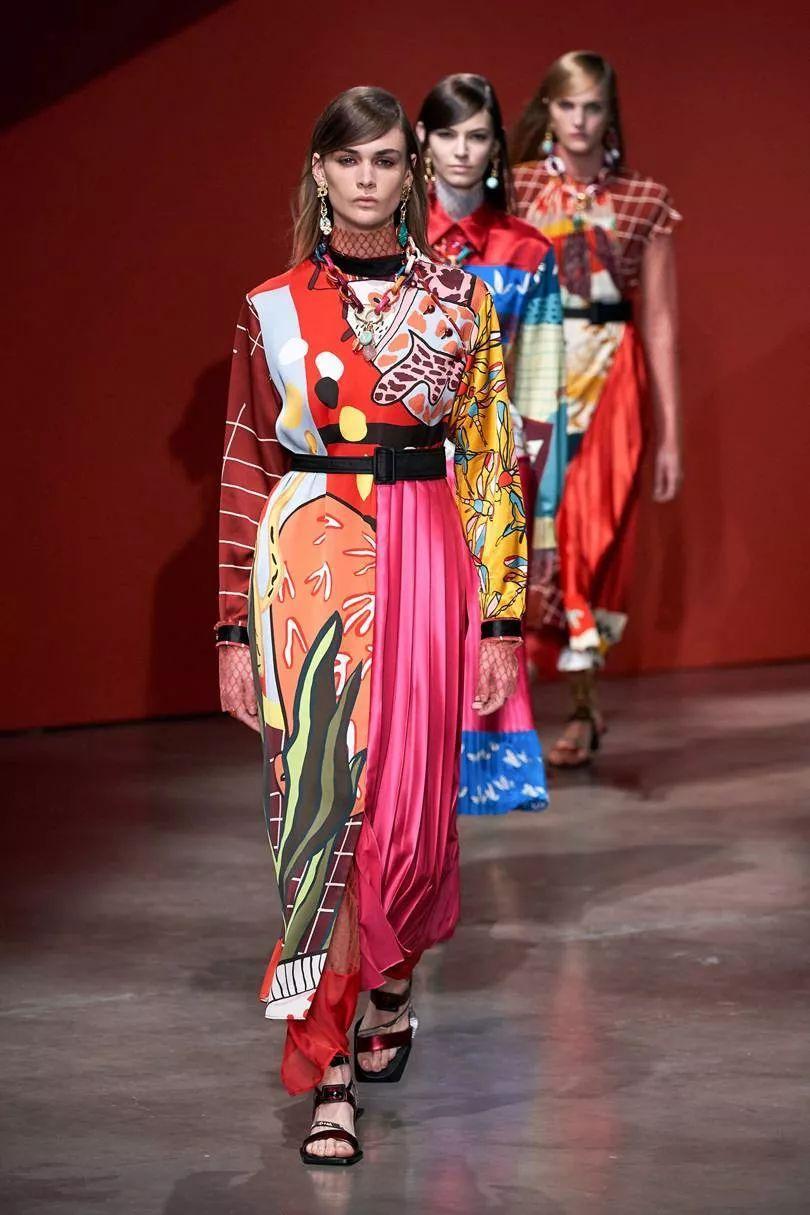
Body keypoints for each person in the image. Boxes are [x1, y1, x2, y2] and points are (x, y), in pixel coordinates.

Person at [216, 86, 526, 1165]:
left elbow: (490, 457)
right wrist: (231, 631)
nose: (365, 177)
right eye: (347, 159)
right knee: (321, 805)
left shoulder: (461, 299)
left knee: (411, 810)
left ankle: (391, 982)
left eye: (385, 159)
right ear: (320, 172)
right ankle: (330, 1066)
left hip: (429, 542)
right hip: (310, 550)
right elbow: (245, 466)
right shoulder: (269, 307)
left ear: (410, 173)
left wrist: (501, 617)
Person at [511, 51, 683, 766]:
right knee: (529, 539)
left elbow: (661, 320)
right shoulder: (516, 189)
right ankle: (511, 711)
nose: (579, 120)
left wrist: (671, 435)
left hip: (613, 383)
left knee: (591, 543)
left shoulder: (646, 199)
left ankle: (583, 707)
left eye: (592, 107)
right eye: (567, 105)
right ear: (547, 110)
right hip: (533, 378)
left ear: (609, 114)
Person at [416, 72, 565, 814]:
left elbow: (539, 385)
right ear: (422, 140)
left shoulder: (527, 250)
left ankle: (476, 775)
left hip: (491, 466)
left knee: (484, 620)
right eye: (447, 134)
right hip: (401, 460)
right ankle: (405, 768)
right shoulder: (394, 244)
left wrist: (536, 498)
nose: (462, 151)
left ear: (497, 145)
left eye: (477, 136)